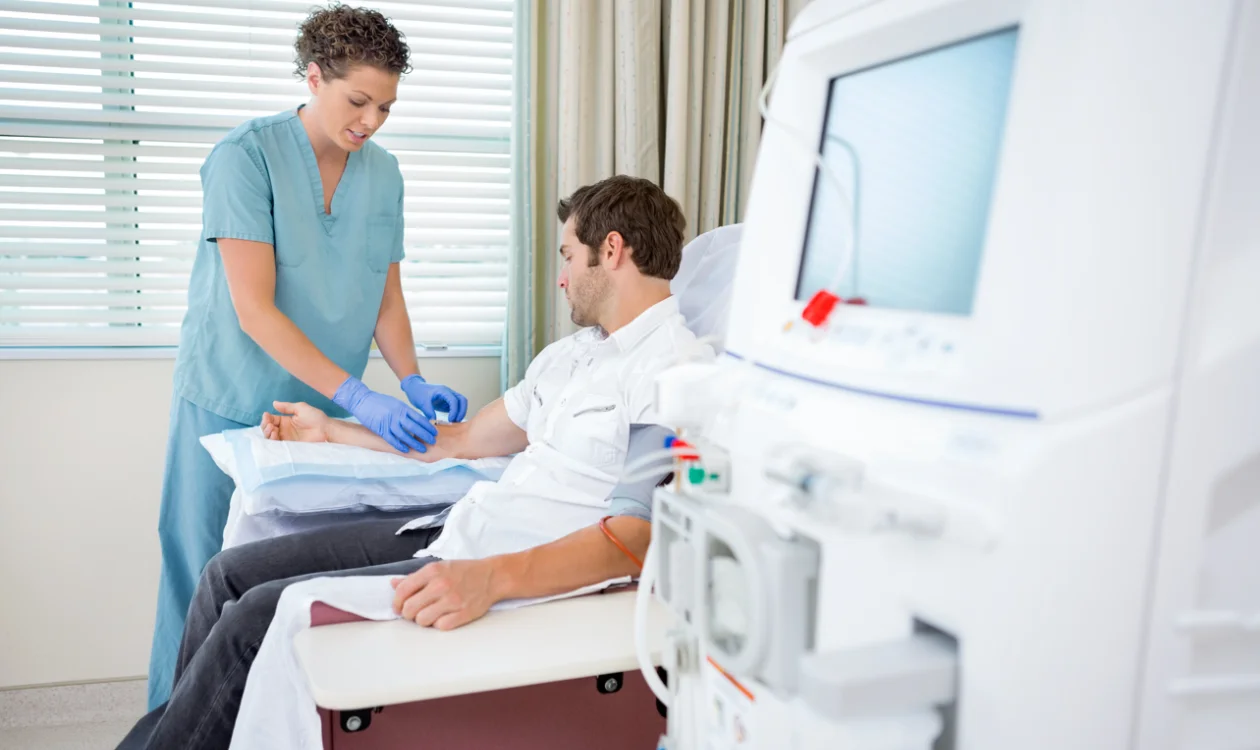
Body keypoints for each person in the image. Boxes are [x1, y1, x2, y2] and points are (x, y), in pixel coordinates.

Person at [118, 175, 704, 750]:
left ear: (611, 249)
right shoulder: (571, 357)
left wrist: (491, 577)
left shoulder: (673, 371)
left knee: (252, 623)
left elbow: (636, 535)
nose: (561, 276)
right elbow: (462, 439)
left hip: (499, 565)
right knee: (226, 575)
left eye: (568, 256)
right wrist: (333, 430)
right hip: (461, 528)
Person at [148, 5, 469, 709]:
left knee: (278, 580)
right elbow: (255, 308)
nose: (372, 121)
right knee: (200, 568)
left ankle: (262, 720)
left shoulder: (383, 174)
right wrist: (361, 397)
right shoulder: (246, 157)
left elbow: (385, 297)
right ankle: (174, 721)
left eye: (386, 106)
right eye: (358, 101)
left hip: (314, 410)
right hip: (227, 392)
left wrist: (410, 379)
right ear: (314, 76)